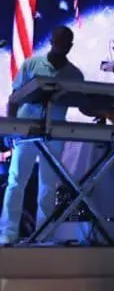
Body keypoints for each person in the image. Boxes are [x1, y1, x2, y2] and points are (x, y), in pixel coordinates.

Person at [0, 26, 88, 244]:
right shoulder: (32, 65)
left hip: (55, 132)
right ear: (51, 41)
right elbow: (14, 98)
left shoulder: (75, 74)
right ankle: (8, 233)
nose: (62, 45)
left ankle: (44, 234)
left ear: (70, 46)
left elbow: (83, 104)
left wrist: (107, 110)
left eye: (66, 42)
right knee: (16, 181)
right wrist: (12, 127)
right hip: (26, 130)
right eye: (59, 41)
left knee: (48, 183)